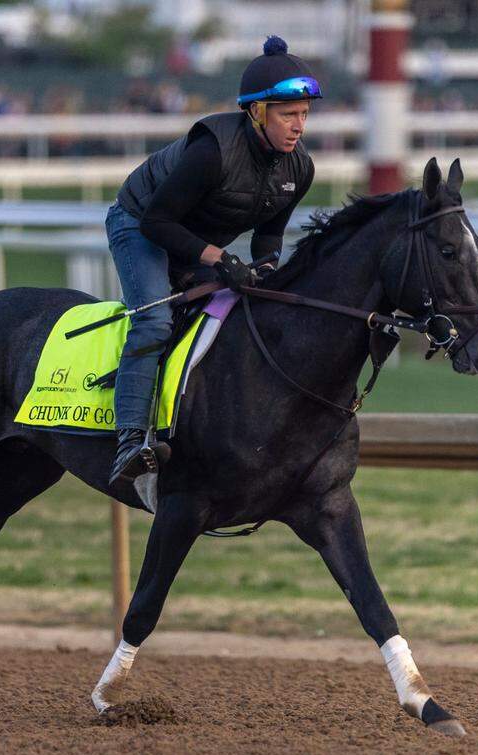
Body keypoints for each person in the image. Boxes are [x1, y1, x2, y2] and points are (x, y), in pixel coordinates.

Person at [105, 35, 320, 486]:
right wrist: (220, 258)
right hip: (141, 223)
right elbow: (157, 223)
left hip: (195, 238)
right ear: (257, 112)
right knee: (155, 322)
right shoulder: (211, 150)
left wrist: (264, 269)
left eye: (303, 114)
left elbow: (269, 235)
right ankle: (129, 440)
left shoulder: (299, 168)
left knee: (241, 314)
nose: (299, 126)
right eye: (288, 115)